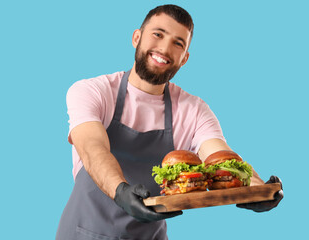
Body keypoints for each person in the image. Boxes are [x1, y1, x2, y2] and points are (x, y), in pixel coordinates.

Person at [56, 4, 283, 240]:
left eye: (178, 43)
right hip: (83, 233)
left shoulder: (193, 109)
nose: (164, 48)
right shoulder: (93, 91)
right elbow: (92, 148)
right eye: (158, 34)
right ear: (137, 37)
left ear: (184, 58)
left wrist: (258, 188)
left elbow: (220, 155)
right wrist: (121, 191)